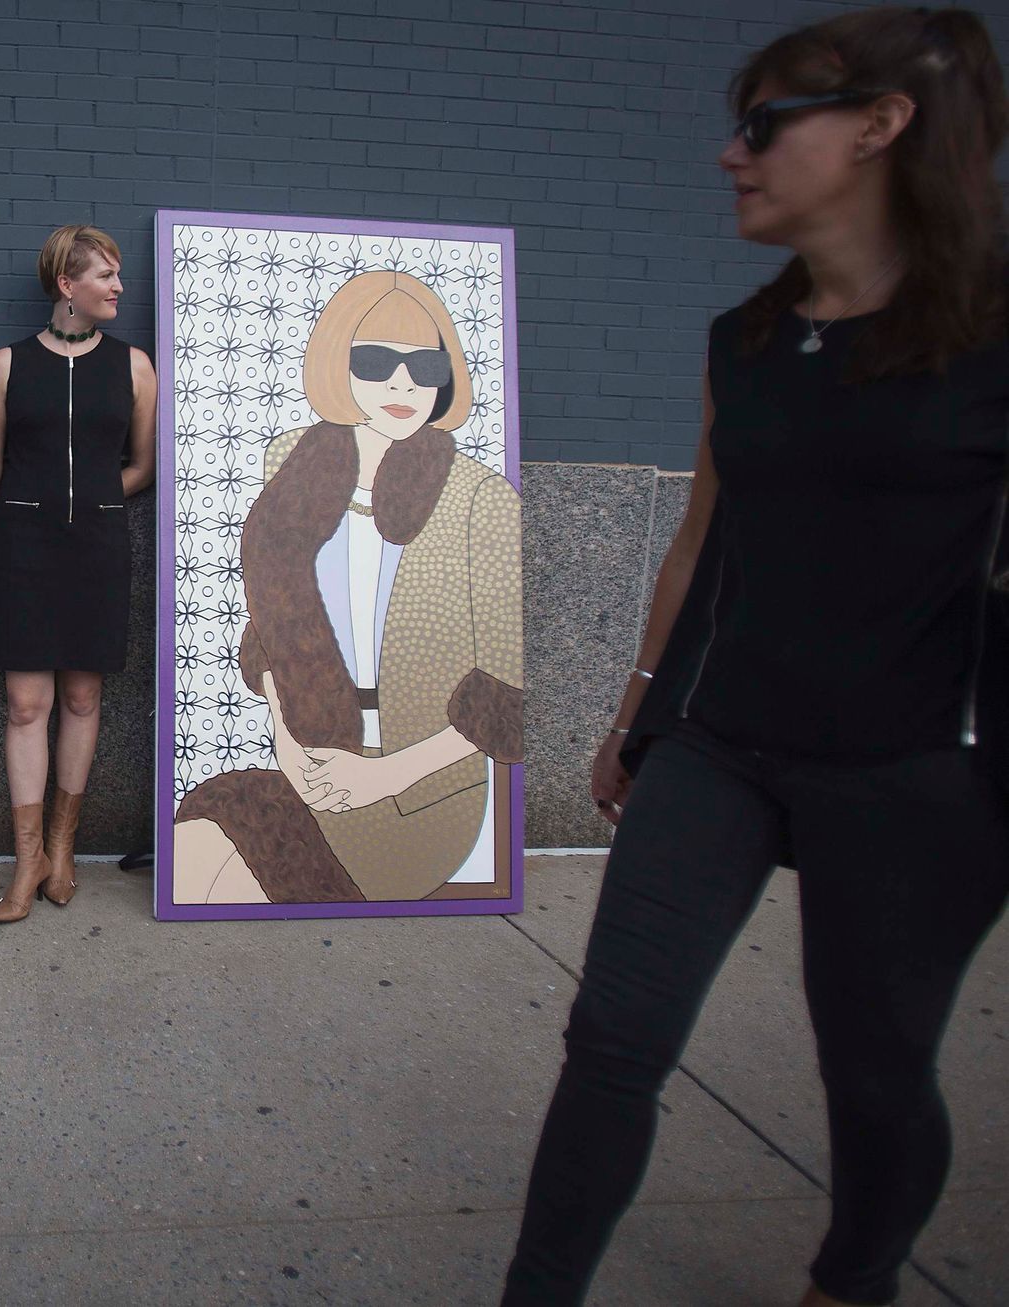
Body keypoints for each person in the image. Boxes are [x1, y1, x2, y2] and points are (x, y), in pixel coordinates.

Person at [503, 9, 1009, 1305]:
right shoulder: (744, 341)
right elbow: (692, 543)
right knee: (610, 1033)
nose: (730, 154)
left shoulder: (989, 332)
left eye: (761, 124)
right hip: (719, 740)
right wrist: (633, 711)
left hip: (916, 768)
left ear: (878, 128)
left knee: (873, 1071)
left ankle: (853, 1281)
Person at [169, 268, 522, 905]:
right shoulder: (296, 464)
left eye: (426, 367)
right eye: (378, 359)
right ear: (339, 360)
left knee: (222, 867)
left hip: (420, 790)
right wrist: (286, 739)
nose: (402, 383)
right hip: (312, 756)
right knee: (204, 830)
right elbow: (271, 629)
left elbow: (504, 692)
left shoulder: (480, 498)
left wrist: (381, 778)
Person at [0, 224, 157, 923]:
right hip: (21, 550)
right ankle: (25, 864)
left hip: (98, 552)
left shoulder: (135, 366)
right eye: (104, 275)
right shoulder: (6, 366)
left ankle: (62, 847)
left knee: (83, 699)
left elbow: (142, 463)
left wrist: (100, 501)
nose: (117, 287)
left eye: (117, 275)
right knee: (25, 705)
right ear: (65, 285)